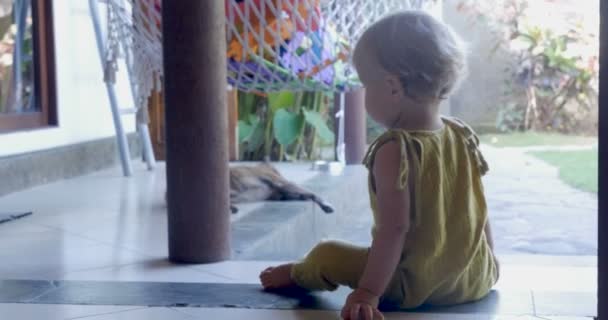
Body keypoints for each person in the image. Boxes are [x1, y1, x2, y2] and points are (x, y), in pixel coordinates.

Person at [260, 10, 500, 320]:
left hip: (412, 286)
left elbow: (394, 229)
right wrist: (490, 260)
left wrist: (368, 292)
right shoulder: (461, 133)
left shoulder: (395, 149)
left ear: (392, 87)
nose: (364, 95)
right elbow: (479, 208)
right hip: (473, 279)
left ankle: (300, 273)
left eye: (365, 85)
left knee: (327, 253)